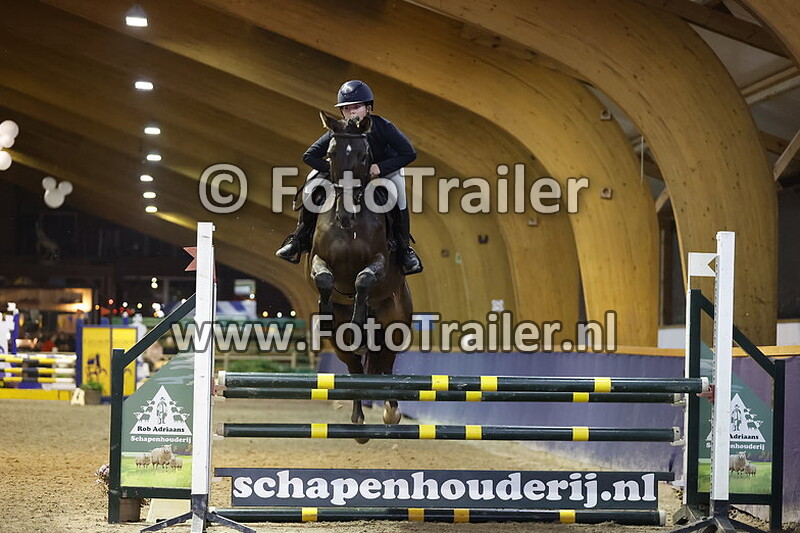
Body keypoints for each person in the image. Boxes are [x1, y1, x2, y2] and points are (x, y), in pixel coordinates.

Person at [276, 80, 423, 275]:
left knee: (399, 197)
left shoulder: (383, 126)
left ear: (368, 108)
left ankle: (405, 250)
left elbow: (408, 153)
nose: (351, 113)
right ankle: (299, 238)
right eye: (346, 109)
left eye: (356, 107)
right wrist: (333, 169)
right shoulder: (338, 130)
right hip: (344, 176)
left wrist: (380, 167)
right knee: (311, 186)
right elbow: (309, 155)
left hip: (382, 171)